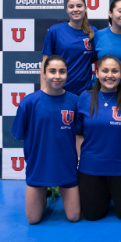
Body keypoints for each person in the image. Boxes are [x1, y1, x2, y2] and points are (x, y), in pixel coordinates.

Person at [12, 55, 80, 224]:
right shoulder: (29, 102)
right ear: (43, 73)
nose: (57, 76)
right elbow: (21, 136)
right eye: (52, 71)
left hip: (67, 167)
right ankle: (46, 192)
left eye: (62, 71)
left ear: (67, 74)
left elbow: (79, 135)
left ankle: (54, 192)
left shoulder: (75, 101)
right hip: (39, 167)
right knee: (33, 220)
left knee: (74, 217)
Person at [76, 55, 121, 221]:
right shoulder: (85, 97)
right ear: (97, 73)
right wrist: (80, 158)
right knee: (92, 216)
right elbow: (78, 133)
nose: (110, 75)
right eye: (105, 70)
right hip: (91, 167)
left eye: (115, 71)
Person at [41, 0, 98, 96]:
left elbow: (94, 58)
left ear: (85, 8)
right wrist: (43, 88)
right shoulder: (55, 30)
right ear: (67, 10)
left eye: (79, 6)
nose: (75, 9)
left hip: (84, 93)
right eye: (71, 6)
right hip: (59, 90)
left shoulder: (93, 32)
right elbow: (45, 61)